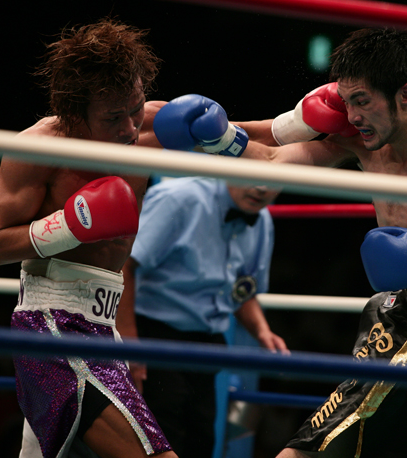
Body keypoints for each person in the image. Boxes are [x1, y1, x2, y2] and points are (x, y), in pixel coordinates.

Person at [150, 28, 407, 457]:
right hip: (387, 310)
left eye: (363, 101)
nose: (352, 116)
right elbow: (275, 159)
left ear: (406, 93)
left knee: (307, 449)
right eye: (347, 100)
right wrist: (218, 137)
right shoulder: (363, 141)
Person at [0, 18, 177, 458]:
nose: (129, 128)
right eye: (112, 117)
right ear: (74, 112)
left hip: (103, 327)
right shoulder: (40, 148)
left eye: (136, 108)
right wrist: (66, 227)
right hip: (54, 325)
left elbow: (259, 145)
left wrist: (307, 123)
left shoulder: (150, 128)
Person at [120, 176, 288, 458]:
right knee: (160, 443)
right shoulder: (179, 198)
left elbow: (241, 289)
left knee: (201, 441)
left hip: (205, 345)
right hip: (154, 336)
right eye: (253, 176)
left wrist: (262, 331)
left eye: (272, 181)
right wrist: (130, 347)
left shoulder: (262, 220)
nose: (261, 188)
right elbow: (124, 265)